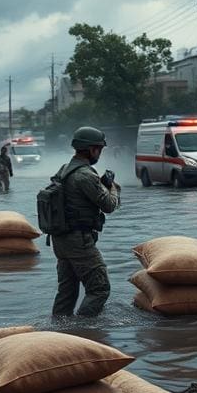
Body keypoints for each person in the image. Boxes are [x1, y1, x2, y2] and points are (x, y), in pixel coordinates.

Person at [51, 126, 120, 318]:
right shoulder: (85, 175)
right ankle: (83, 332)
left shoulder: (64, 170)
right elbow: (108, 205)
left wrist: (101, 185)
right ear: (91, 149)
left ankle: (56, 334)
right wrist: (113, 187)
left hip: (61, 240)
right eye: (99, 148)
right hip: (78, 241)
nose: (99, 153)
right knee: (100, 288)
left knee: (67, 292)